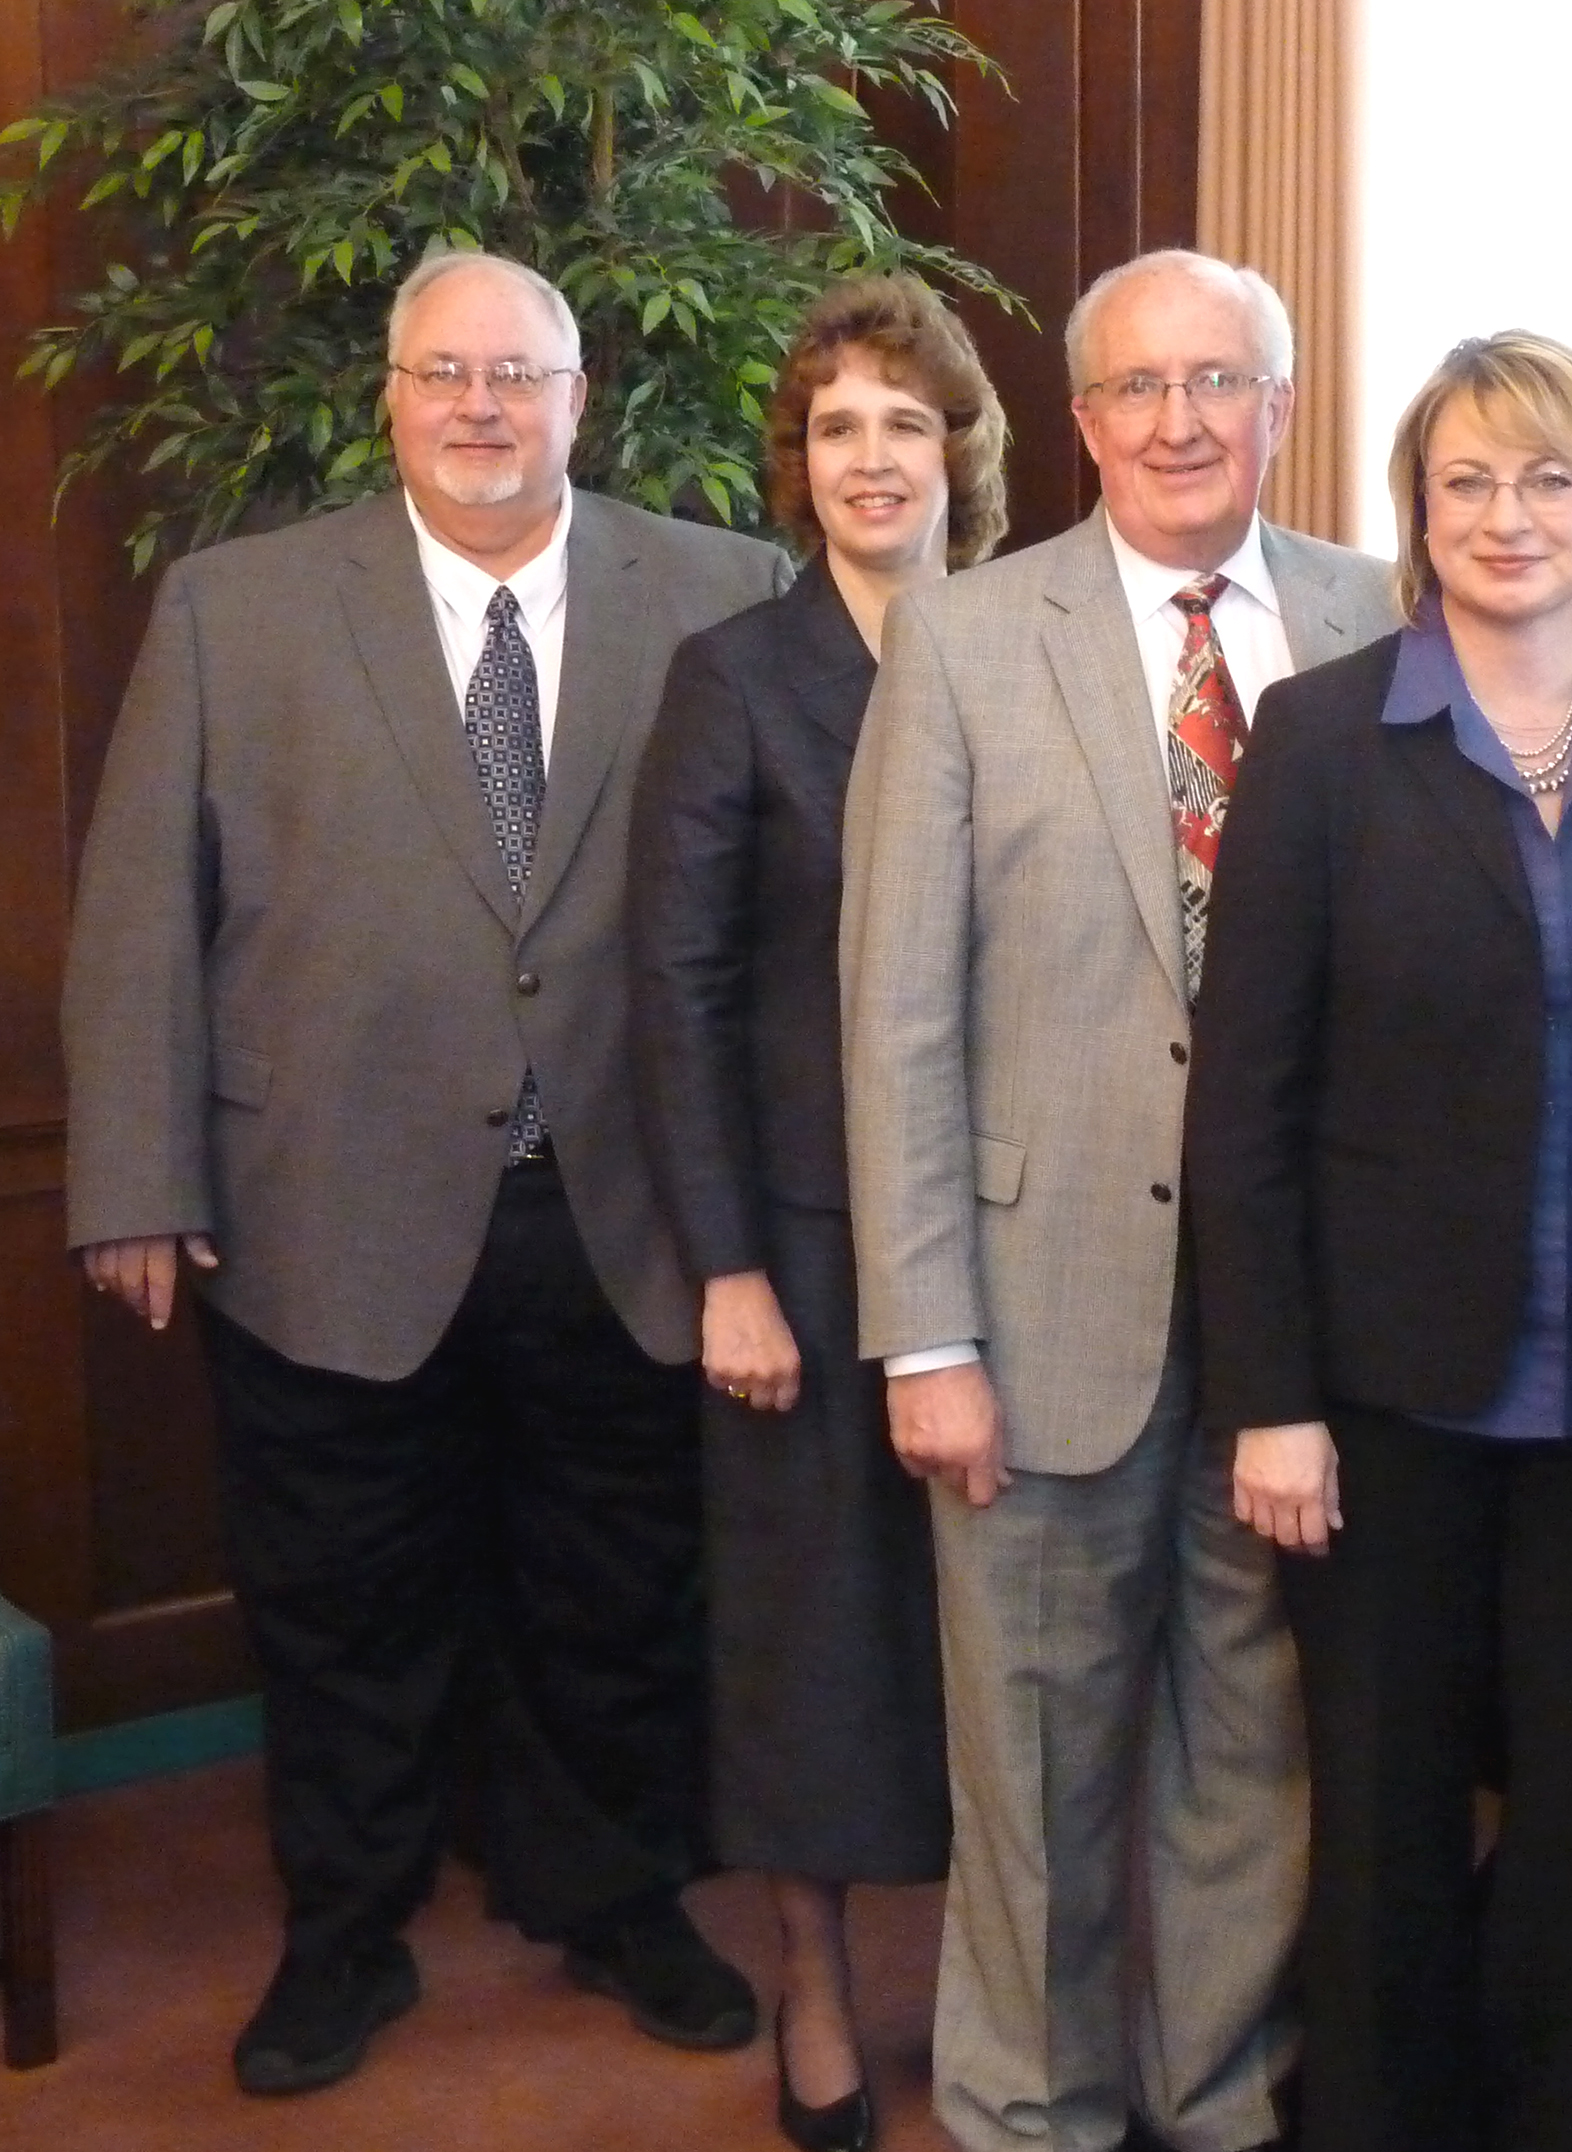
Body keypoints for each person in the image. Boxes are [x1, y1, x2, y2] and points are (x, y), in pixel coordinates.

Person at [59, 247, 791, 2096]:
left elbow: (783, 928)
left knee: (616, 1591)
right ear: (388, 394)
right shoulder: (238, 608)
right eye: (444, 372)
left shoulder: (721, 590)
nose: (482, 406)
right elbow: (144, 910)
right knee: (341, 1604)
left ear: (580, 396)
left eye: (519, 374)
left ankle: (622, 1900)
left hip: (621, 1210)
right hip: (327, 1208)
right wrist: (134, 1173)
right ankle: (343, 1937)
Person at [839, 248, 1395, 2152]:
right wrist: (928, 1337)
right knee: (1038, 1781)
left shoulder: (1380, 619)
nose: (1180, 421)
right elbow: (896, 1015)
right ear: (1080, 423)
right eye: (1141, 388)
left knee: (1253, 1769)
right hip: (1032, 1312)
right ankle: (1035, 2117)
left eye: (1219, 382)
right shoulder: (968, 637)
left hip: (1293, 1339)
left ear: (1279, 411)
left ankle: (1220, 2103)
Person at [1183, 332, 1572, 2152]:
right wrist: (1269, 1397)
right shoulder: (1327, 739)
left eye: (1552, 480)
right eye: (1470, 483)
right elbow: (1246, 1102)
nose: (1512, 517)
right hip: (1380, 1408)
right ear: (1420, 521)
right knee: (1387, 1822)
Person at [627, 272, 1006, 2152]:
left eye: (907, 422)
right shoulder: (737, 679)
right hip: (806, 1250)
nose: (875, 457)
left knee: (1010, 1649)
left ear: (961, 453)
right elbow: (677, 992)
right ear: (803, 468)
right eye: (840, 426)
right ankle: (820, 2000)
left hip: (1013, 1250)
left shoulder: (1029, 649)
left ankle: (1020, 1996)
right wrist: (730, 1273)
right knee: (813, 1656)